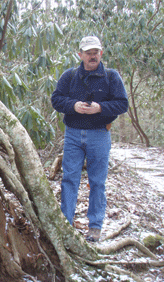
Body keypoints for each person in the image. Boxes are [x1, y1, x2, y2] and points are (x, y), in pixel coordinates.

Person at [51, 36, 128, 242]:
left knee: (97, 182)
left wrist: (100, 108)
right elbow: (56, 99)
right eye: (88, 52)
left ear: (101, 53)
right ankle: (65, 224)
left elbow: (122, 104)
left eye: (96, 52)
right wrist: (73, 105)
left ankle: (95, 227)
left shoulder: (111, 77)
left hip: (100, 134)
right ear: (80, 55)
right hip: (73, 135)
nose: (92, 56)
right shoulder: (70, 76)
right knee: (69, 179)